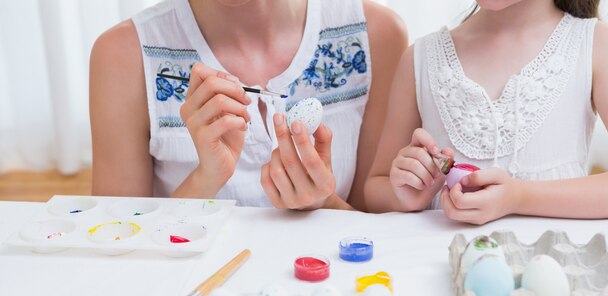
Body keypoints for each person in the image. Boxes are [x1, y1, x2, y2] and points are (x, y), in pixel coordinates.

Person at [90, 0, 407, 211]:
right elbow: (118, 248)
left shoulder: (376, 35)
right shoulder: (125, 55)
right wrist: (206, 179)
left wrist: (323, 203)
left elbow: (376, 239)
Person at [365, 0, 608, 224]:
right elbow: (375, 189)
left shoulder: (595, 45)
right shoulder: (419, 59)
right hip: (441, 272)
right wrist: (404, 194)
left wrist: (519, 197)